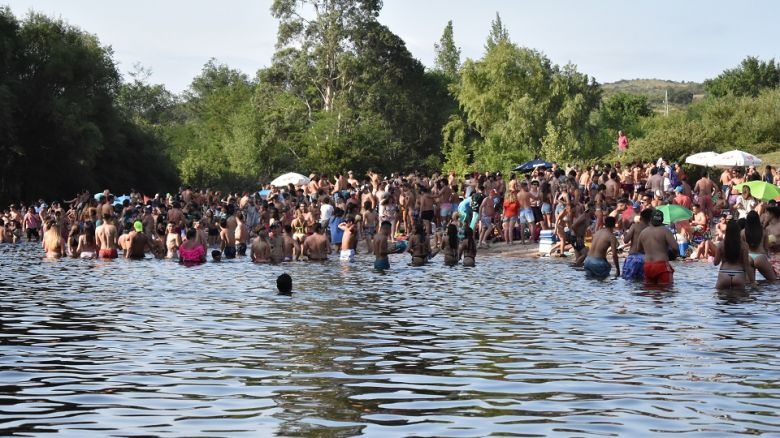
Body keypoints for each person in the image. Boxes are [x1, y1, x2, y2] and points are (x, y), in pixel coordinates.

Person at [637, 210, 678, 285]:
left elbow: (639, 249)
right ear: (662, 220)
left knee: (650, 291)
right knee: (666, 290)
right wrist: (674, 255)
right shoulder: (665, 231)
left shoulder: (643, 232)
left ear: (651, 219)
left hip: (648, 266)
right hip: (661, 265)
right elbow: (675, 248)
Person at [714, 219, 755, 290]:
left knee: (721, 298)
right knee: (739, 298)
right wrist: (752, 281)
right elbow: (747, 265)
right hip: (739, 273)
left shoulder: (721, 245)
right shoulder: (744, 245)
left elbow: (715, 263)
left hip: (724, 273)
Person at [743, 211, 776, 282]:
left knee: (750, 283)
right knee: (773, 280)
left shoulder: (743, 232)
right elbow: (766, 248)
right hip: (760, 256)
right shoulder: (763, 231)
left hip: (748, 257)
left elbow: (741, 248)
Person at [622, 208, 652, 280]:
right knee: (642, 282)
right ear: (651, 218)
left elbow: (626, 240)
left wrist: (625, 233)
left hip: (633, 257)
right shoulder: (651, 229)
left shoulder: (635, 226)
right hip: (646, 258)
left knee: (629, 281)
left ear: (640, 217)